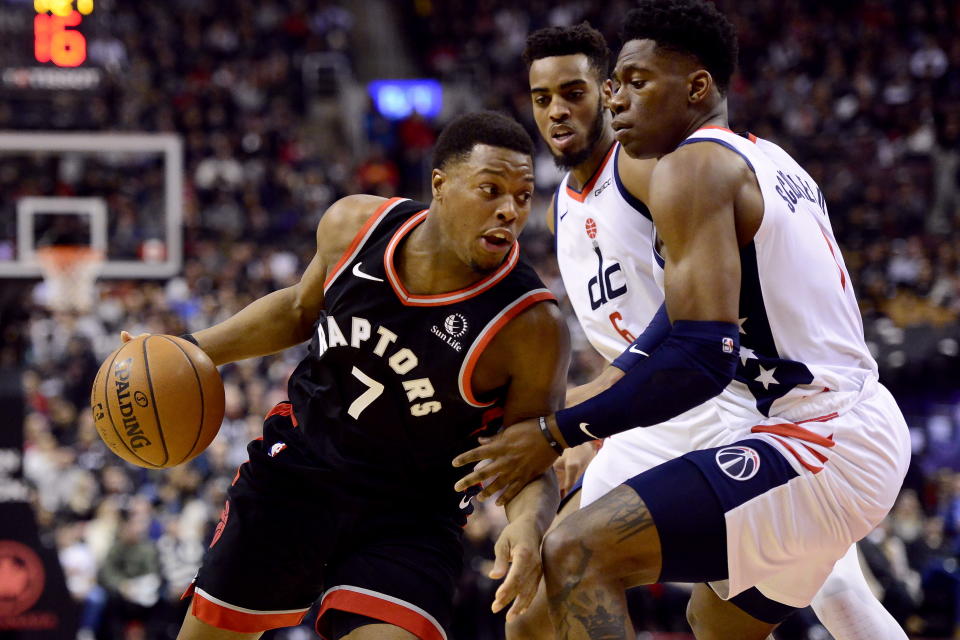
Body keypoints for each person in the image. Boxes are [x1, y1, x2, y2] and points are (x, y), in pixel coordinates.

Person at [453, 3, 911, 639]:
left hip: (763, 417)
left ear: (696, 87)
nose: (613, 104)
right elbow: (690, 314)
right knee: (609, 615)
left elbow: (697, 347)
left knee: (576, 557)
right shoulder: (760, 158)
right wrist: (587, 414)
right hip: (761, 410)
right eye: (542, 97)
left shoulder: (673, 168)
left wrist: (565, 423)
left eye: (621, 87)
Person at [125, 112, 572, 640]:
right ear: (440, 186)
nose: (509, 210)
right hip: (299, 473)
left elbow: (532, 456)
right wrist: (190, 350)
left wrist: (526, 525)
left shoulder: (530, 324)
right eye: (490, 190)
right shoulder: (354, 226)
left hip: (410, 519)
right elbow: (296, 309)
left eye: (523, 197)